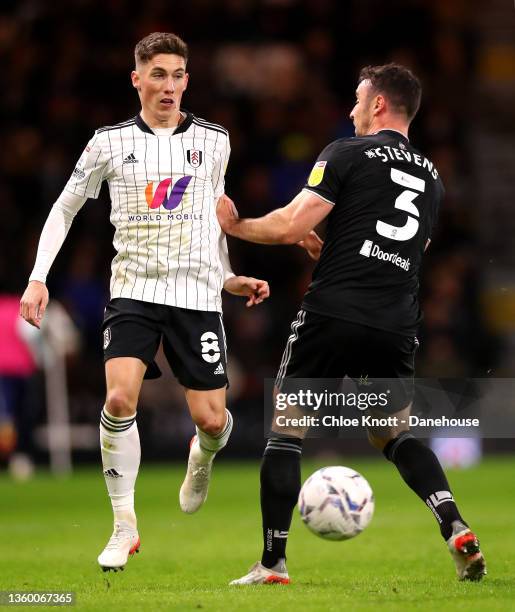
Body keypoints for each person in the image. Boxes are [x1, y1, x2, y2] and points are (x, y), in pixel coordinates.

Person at [217, 63, 486, 584]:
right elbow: (407, 250)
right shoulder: (431, 176)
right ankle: (453, 524)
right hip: (394, 321)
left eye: (358, 99)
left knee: (287, 431)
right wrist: (335, 247)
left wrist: (237, 225)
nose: (351, 109)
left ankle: (273, 561)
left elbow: (292, 223)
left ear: (380, 104)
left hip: (333, 311)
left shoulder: (345, 151)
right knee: (394, 434)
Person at [19, 32, 274, 572]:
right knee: (118, 400)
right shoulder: (108, 143)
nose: (169, 86)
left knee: (211, 419)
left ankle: (202, 455)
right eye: (157, 74)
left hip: (196, 294)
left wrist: (228, 279)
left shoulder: (214, 140)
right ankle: (123, 525)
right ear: (137, 79)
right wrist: (39, 277)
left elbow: (215, 220)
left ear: (187, 80)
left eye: (178, 75)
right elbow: (63, 210)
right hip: (132, 290)